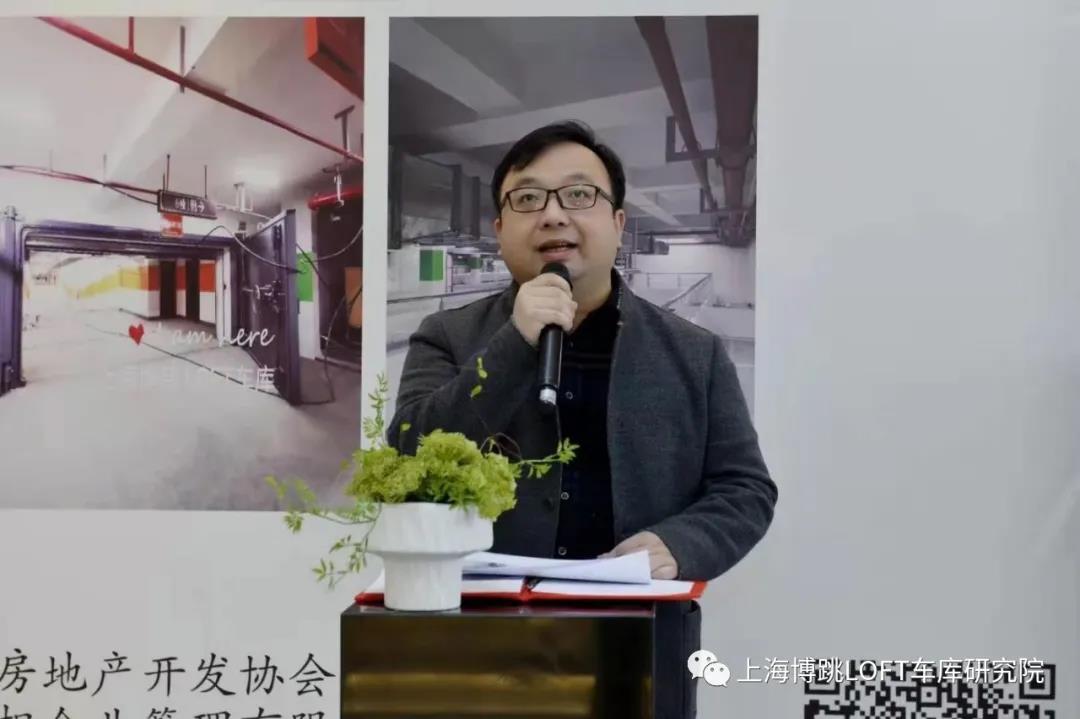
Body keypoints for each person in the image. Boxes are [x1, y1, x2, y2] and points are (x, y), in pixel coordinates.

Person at [388, 120, 777, 718]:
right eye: (527, 198)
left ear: (618, 224)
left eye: (577, 194)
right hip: (476, 645)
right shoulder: (447, 336)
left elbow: (744, 487)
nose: (552, 215)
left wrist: (681, 544)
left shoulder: (694, 353)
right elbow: (409, 457)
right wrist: (515, 344)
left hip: (640, 644)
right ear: (499, 229)